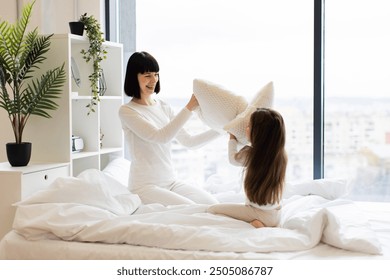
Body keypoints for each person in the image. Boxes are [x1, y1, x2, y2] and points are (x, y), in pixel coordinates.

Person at [118, 51, 220, 206]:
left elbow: (189, 142)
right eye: (147, 75)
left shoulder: (163, 106)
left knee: (214, 205)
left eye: (156, 74)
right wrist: (189, 107)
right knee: (194, 209)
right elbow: (160, 137)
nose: (153, 80)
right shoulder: (127, 111)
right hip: (145, 186)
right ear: (134, 77)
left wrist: (222, 129)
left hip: (171, 181)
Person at [208, 108, 287, 228]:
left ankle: (259, 225)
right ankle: (263, 223)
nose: (246, 128)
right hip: (276, 215)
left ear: (259, 133)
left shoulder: (252, 155)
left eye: (249, 126)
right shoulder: (280, 156)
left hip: (259, 214)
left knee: (212, 209)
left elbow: (233, 159)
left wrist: (232, 137)